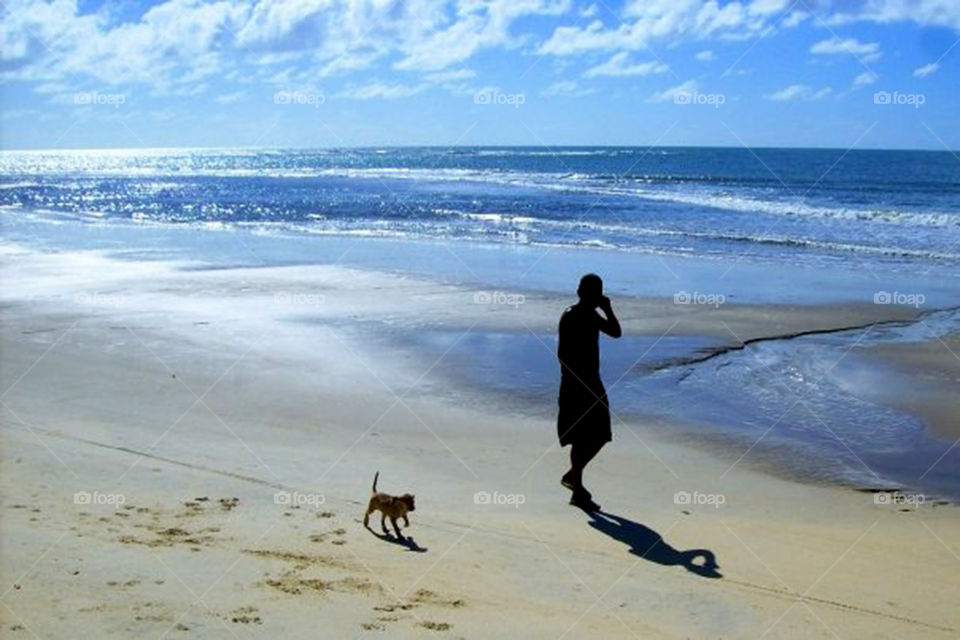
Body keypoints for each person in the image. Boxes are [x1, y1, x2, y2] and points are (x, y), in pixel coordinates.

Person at [557, 273, 621, 511]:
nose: (600, 297)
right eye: (598, 293)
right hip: (584, 383)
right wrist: (608, 309)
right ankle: (576, 485)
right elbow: (616, 331)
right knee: (594, 433)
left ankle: (575, 480)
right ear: (589, 294)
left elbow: (615, 333)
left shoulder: (575, 314)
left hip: (579, 381)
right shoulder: (581, 315)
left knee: (592, 434)